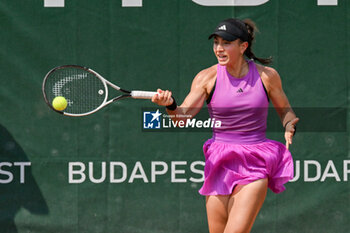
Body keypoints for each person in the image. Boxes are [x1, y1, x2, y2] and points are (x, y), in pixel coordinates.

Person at [152, 18, 299, 233]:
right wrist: (171, 105)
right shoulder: (206, 78)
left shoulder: (267, 76)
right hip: (220, 160)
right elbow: (181, 118)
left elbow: (286, 110)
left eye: (226, 43)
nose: (219, 49)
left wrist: (289, 123)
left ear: (243, 47)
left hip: (255, 161)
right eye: (216, 43)